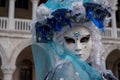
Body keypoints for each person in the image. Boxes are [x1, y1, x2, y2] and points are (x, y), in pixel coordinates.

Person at [31, 0, 117, 80]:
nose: (78, 47)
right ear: (61, 44)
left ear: (93, 41)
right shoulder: (66, 70)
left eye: (84, 39)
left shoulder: (88, 70)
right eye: (70, 41)